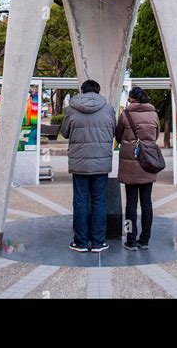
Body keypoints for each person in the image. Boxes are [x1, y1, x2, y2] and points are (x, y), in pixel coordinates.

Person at [61, 79, 116, 253]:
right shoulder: (108, 109)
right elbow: (113, 131)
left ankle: (81, 242)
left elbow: (64, 132)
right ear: (98, 91)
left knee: (80, 201)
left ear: (82, 91)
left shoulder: (72, 109)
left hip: (80, 162)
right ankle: (99, 242)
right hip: (101, 162)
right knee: (99, 201)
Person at [116, 86, 160, 251]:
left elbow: (118, 136)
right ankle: (145, 239)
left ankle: (131, 240)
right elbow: (155, 136)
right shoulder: (154, 114)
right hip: (148, 162)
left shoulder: (125, 114)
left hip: (130, 164)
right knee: (147, 203)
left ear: (131, 98)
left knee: (131, 204)